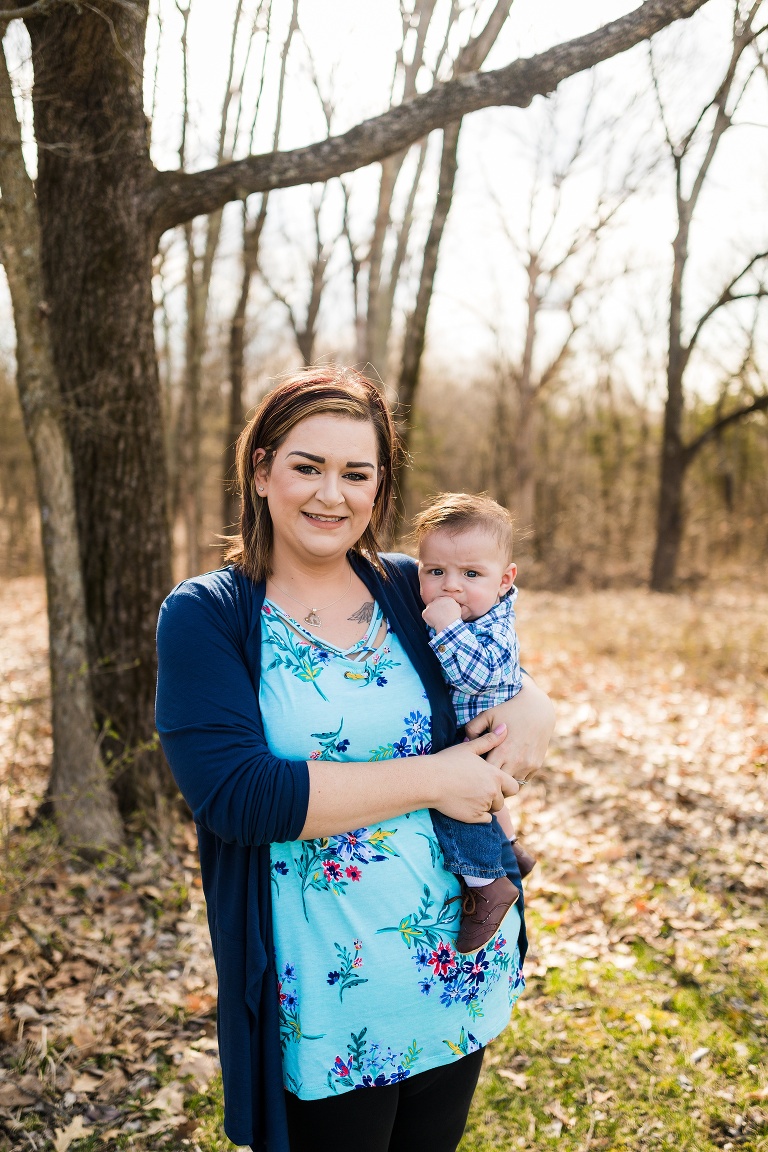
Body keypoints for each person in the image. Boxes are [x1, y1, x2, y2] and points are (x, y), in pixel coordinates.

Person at [155, 367, 555, 1152]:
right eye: (307, 467)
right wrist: (437, 777)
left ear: (379, 490)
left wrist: (536, 704)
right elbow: (237, 797)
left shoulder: (412, 585)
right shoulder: (208, 615)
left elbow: (495, 666)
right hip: (328, 997)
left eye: (356, 473)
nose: (329, 494)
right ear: (262, 471)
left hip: (455, 961)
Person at [413, 492, 535, 956]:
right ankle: (512, 848)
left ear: (504, 580)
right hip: (475, 735)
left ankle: (487, 883)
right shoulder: (474, 609)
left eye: (471, 574)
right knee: (482, 799)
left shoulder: (489, 625)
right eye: (435, 571)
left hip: (478, 740)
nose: (451, 587)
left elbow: (476, 674)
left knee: (459, 807)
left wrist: (445, 628)